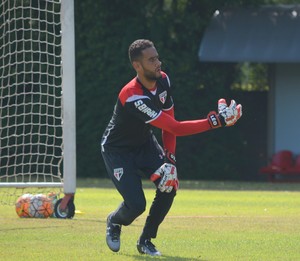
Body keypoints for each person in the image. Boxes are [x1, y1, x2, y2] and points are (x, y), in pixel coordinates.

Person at [101, 39, 242, 256]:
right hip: (117, 151)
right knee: (137, 205)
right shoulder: (133, 96)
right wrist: (216, 121)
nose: (158, 63)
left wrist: (170, 159)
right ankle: (114, 220)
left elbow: (169, 125)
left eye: (157, 57)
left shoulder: (163, 80)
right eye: (151, 60)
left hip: (144, 144)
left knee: (169, 185)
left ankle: (146, 241)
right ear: (137, 66)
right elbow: (175, 127)